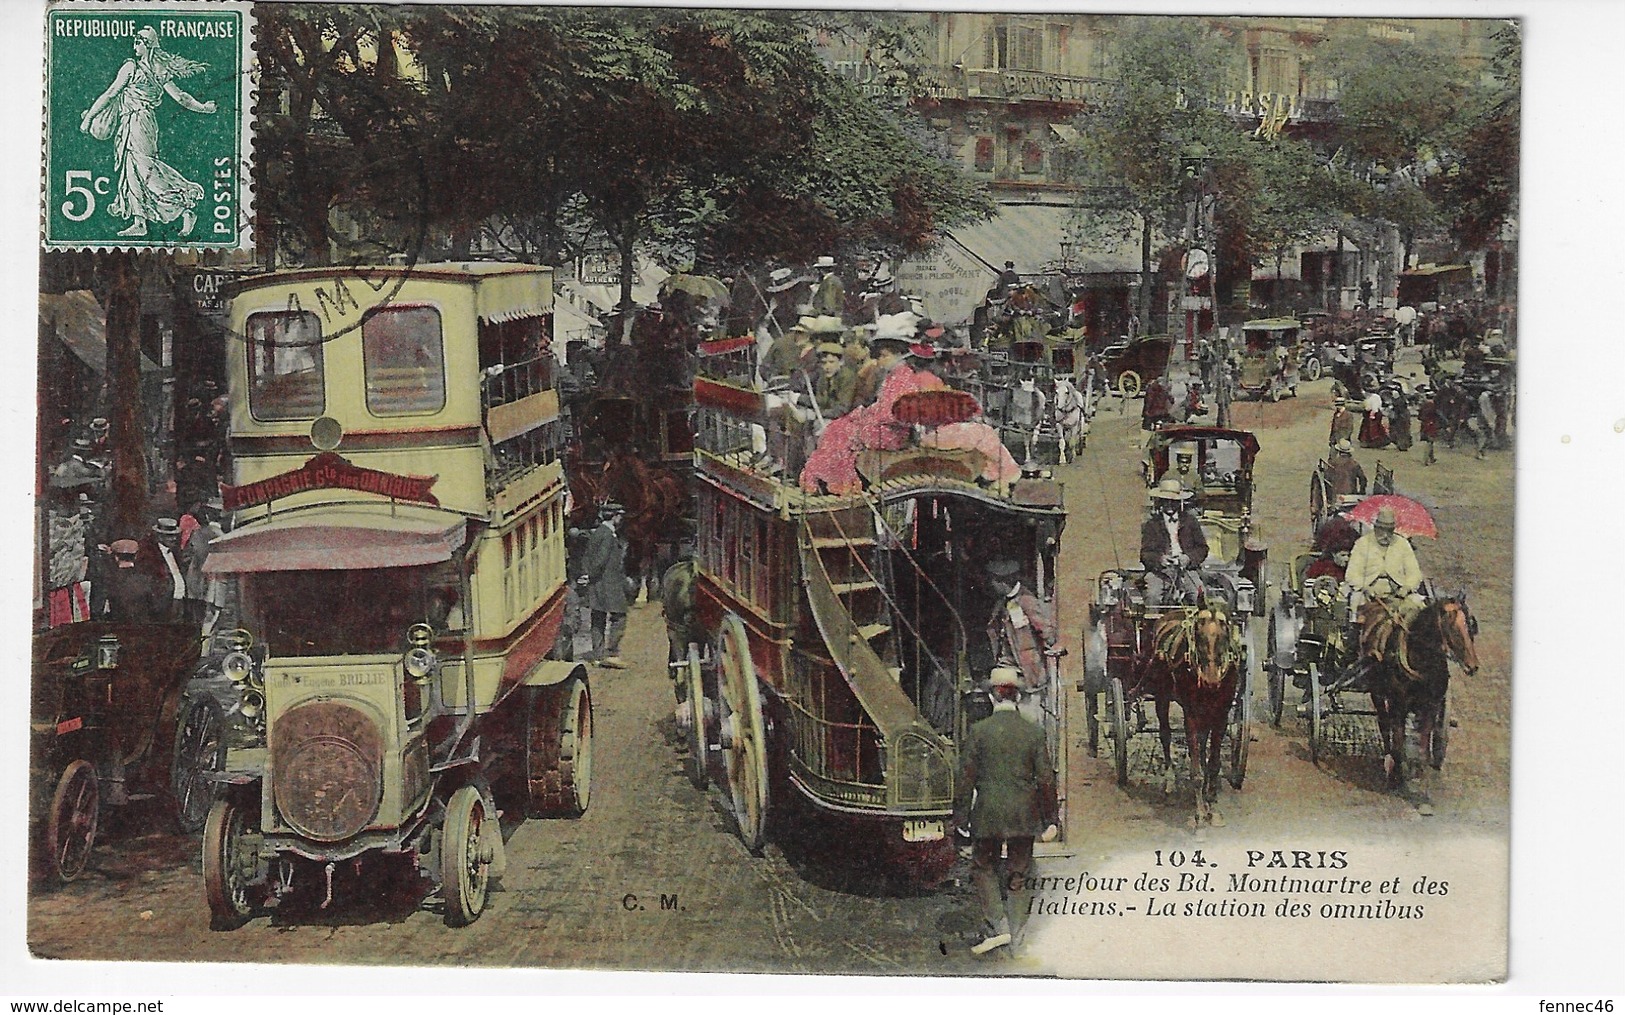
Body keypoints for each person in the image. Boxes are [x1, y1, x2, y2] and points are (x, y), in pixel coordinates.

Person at [953, 667, 1058, 955]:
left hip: (987, 813)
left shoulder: (978, 731)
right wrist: (1051, 820)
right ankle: (1018, 938)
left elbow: (965, 778)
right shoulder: (1033, 733)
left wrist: (960, 818)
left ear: (990, 696)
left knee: (983, 866)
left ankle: (997, 926)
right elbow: (1046, 779)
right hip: (1024, 815)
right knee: (1019, 871)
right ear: (1019, 696)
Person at [79, 26, 217, 238]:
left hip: (139, 123)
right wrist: (204, 108)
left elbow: (110, 94)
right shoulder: (153, 69)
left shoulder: (134, 68)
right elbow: (180, 97)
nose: (135, 44)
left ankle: (183, 209)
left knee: (145, 170)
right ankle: (140, 221)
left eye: (139, 41)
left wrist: (89, 118)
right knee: (131, 170)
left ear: (148, 44)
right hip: (137, 122)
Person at [984, 560, 1058, 716]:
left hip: (1026, 666)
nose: (991, 585)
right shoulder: (1002, 603)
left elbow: (1044, 629)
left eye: (993, 581)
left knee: (1028, 711)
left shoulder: (1026, 600)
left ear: (1002, 582)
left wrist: (1052, 645)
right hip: (1008, 663)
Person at [1344, 505, 1424, 621]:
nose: (1386, 535)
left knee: (1418, 604)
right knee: (1356, 601)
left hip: (1397, 593)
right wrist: (1365, 587)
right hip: (1369, 592)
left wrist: (1407, 587)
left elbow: (1414, 573)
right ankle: (1354, 635)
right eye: (1382, 530)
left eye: (1389, 531)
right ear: (1375, 528)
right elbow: (1351, 574)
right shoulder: (1362, 544)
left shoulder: (1402, 544)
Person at [577, 503, 631, 668]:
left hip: (597, 584)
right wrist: (591, 575)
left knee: (598, 619)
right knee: (619, 617)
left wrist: (586, 576)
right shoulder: (608, 535)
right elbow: (600, 561)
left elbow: (587, 557)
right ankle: (612, 653)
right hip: (609, 584)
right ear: (614, 516)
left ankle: (597, 655)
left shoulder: (598, 532)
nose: (620, 519)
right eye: (619, 516)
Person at [1140, 479, 1208, 605]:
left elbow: (1202, 548)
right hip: (1160, 572)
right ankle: (1152, 623)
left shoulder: (1190, 521)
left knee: (1200, 596)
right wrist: (1160, 559)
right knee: (1152, 596)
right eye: (1166, 500)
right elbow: (1145, 553)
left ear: (1180, 502)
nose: (1170, 504)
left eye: (1173, 501)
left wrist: (1188, 558)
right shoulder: (1152, 524)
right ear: (1160, 502)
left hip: (1186, 571)